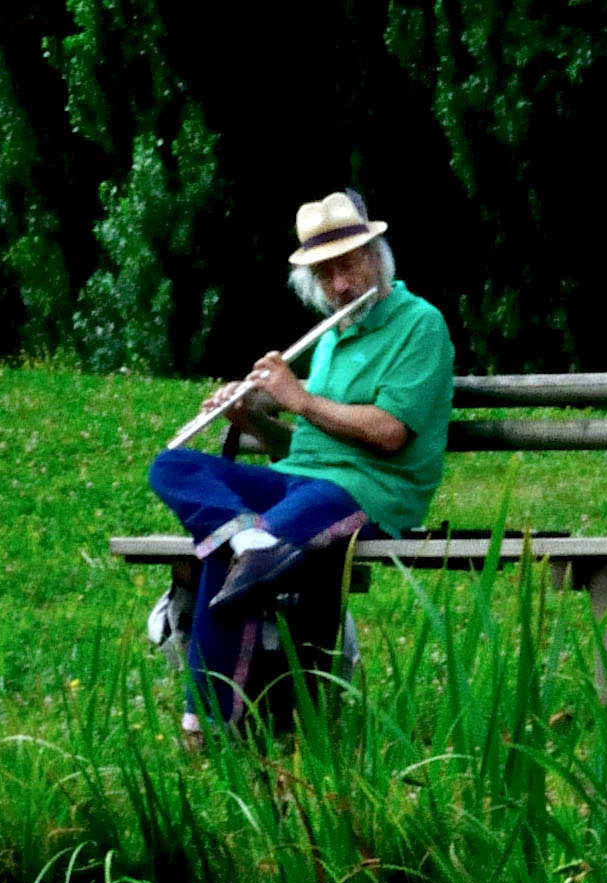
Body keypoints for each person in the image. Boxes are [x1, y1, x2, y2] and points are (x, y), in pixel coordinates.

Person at [146, 190, 456, 730]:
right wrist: (252, 422)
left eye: (350, 264)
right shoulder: (335, 336)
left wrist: (300, 399)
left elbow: (388, 434)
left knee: (232, 560)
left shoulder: (420, 326)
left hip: (368, 491)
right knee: (171, 465)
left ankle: (205, 729)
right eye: (327, 273)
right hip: (301, 484)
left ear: (376, 254)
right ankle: (246, 537)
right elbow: (306, 450)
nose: (341, 285)